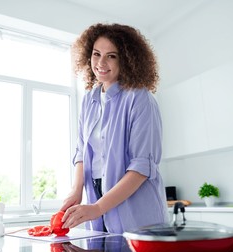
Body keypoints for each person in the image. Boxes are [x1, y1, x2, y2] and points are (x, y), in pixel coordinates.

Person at [61, 23, 169, 234]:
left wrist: (98, 208)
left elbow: (141, 168)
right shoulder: (89, 100)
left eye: (112, 56)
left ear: (127, 60)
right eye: (96, 54)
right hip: (96, 197)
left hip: (136, 206)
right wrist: (76, 191)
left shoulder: (140, 99)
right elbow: (82, 152)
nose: (101, 63)